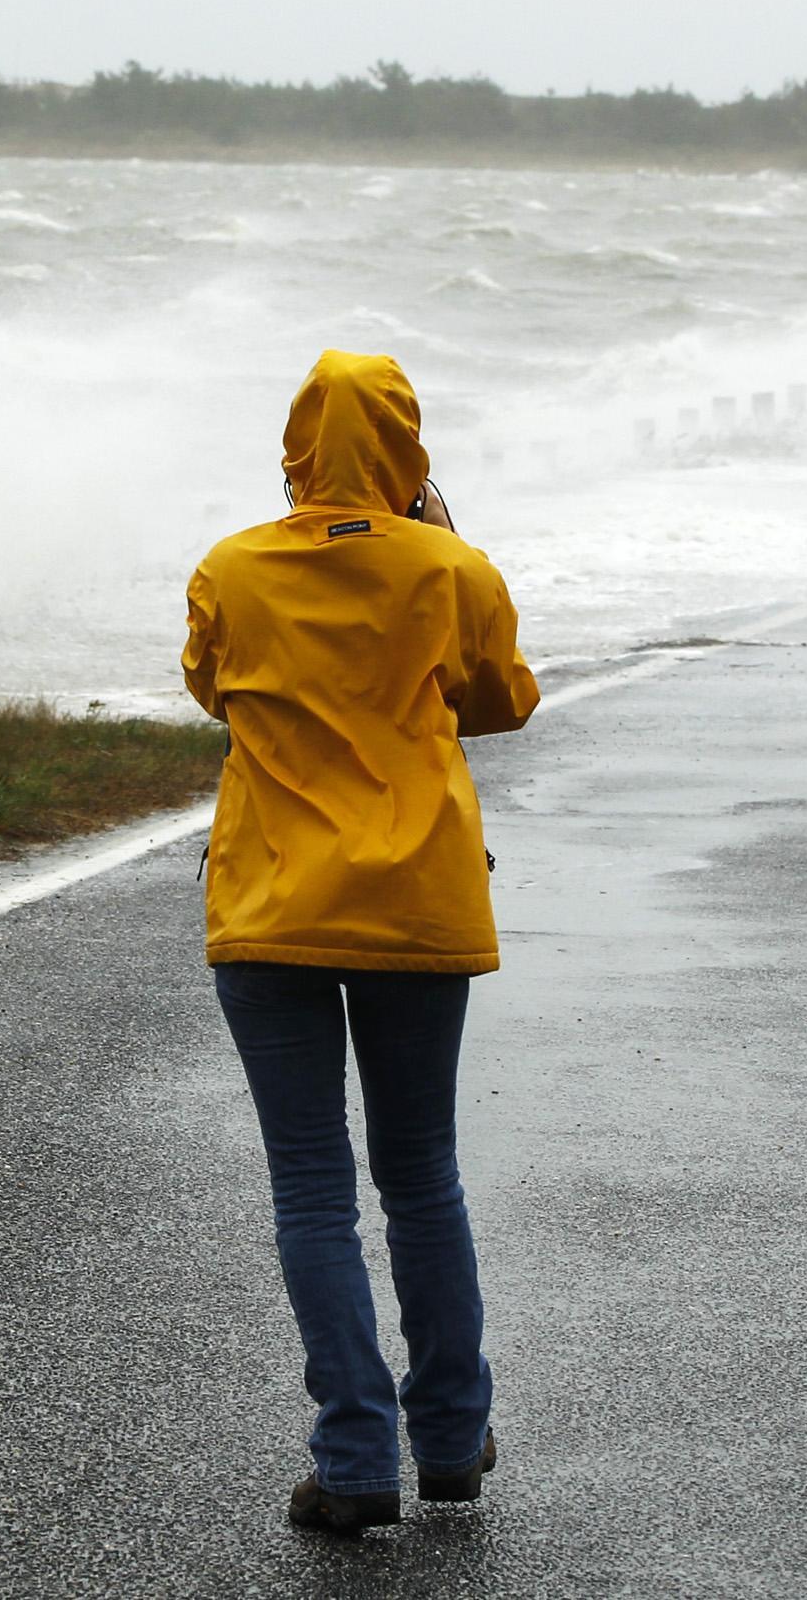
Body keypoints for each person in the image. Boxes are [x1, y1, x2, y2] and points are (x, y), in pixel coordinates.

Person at [181, 349, 542, 1534]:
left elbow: (209, 686)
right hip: (415, 906)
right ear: (407, 446)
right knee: (421, 1175)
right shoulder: (453, 567)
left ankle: (352, 1459)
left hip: (274, 904)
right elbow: (503, 703)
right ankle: (450, 1437)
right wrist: (438, 537)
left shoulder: (233, 567)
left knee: (312, 1188)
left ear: (296, 444)